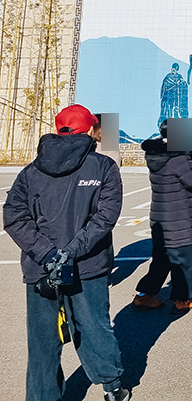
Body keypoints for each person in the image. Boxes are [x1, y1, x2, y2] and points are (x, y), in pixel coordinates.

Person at [3, 104, 131, 401]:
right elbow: (106, 216)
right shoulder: (103, 166)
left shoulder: (30, 171)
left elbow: (14, 217)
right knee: (93, 327)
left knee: (42, 340)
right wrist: (70, 252)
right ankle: (112, 388)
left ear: (58, 129)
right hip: (88, 266)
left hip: (40, 269)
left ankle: (43, 396)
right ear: (89, 130)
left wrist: (47, 254)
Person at [133, 120, 192, 313]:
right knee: (185, 262)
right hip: (180, 219)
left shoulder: (156, 156)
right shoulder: (178, 159)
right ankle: (183, 299)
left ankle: (145, 295)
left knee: (160, 261)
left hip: (160, 219)